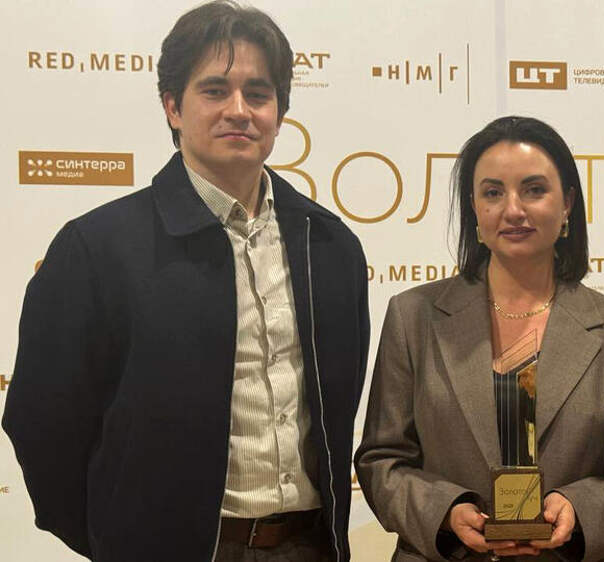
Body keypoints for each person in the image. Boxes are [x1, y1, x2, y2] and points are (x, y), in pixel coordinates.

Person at [1, 2, 369, 561]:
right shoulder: (96, 248)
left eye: (258, 93)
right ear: (173, 106)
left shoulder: (330, 246)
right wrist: (117, 538)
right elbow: (40, 422)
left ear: (280, 113)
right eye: (215, 90)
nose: (239, 110)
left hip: (310, 547)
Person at [355, 116, 604, 561]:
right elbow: (381, 461)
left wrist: (580, 509)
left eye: (534, 190)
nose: (513, 210)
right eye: (493, 193)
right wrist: (446, 512)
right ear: (474, 208)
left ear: (567, 204)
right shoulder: (413, 317)